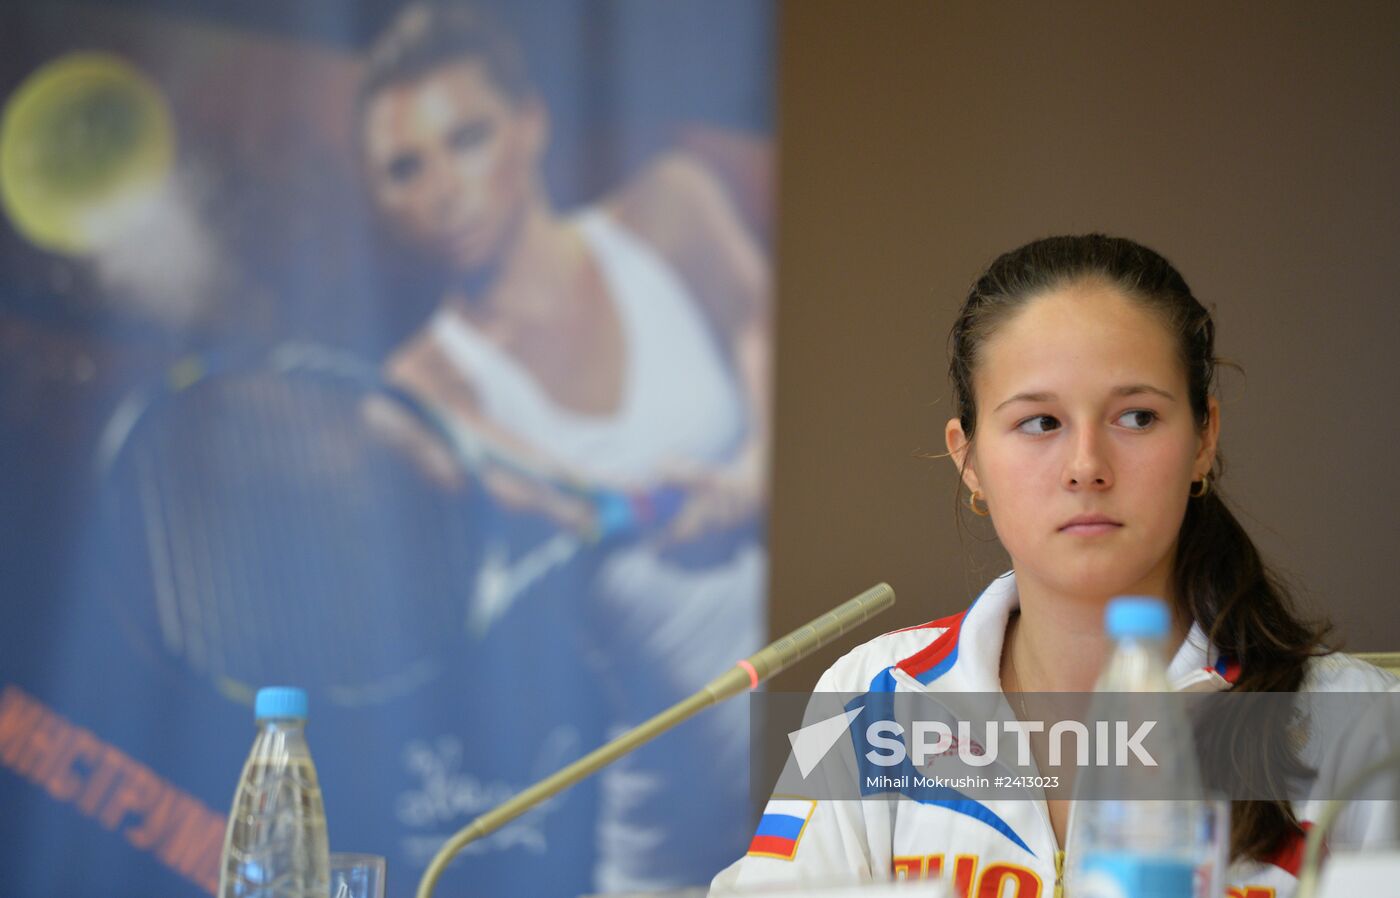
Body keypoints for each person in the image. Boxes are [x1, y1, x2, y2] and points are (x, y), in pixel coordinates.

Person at [711, 234, 1398, 897]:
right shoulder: (874, 698)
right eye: (1040, 423)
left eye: (1136, 417)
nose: (1087, 468)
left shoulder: (1359, 728)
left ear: (1203, 438)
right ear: (969, 460)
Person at [356, 3, 770, 891]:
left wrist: (753, 473)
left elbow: (769, 340)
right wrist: (668, 499)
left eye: (467, 137)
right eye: (403, 167)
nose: (443, 188)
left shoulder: (670, 204)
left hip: (825, 772)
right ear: (378, 199)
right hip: (674, 832)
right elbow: (566, 497)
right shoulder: (415, 392)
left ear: (530, 125)